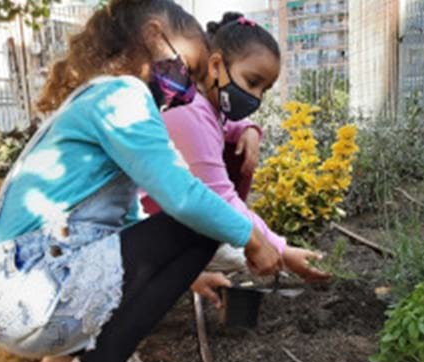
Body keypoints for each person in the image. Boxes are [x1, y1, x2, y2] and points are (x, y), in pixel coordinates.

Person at [0, 1, 280, 362]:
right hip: (33, 294)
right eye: (187, 67)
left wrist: (186, 275)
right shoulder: (124, 95)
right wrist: (253, 238)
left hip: (17, 295)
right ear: (156, 36)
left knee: (176, 225)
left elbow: (128, 222)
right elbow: (184, 198)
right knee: (198, 221)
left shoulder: (96, 96)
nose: (187, 85)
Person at [142, 12, 331, 294]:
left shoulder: (202, 105)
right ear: (216, 65)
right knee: (218, 206)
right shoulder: (189, 114)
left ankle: (205, 248)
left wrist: (249, 129)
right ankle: (180, 258)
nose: (256, 97)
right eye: (252, 82)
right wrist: (280, 249)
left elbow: (224, 125)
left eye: (264, 90)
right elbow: (221, 198)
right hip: (136, 224)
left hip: (155, 212)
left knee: (234, 152)